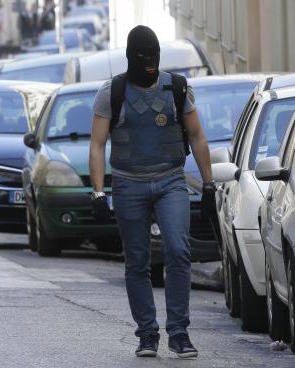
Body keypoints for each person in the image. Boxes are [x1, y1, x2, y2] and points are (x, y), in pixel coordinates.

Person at [88, 25, 214, 359]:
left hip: (171, 180)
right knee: (138, 261)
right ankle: (147, 334)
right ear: (130, 57)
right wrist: (99, 193)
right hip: (129, 184)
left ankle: (179, 332)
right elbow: (98, 145)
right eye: (143, 57)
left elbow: (198, 136)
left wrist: (210, 183)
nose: (150, 63)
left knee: (178, 249)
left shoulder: (176, 88)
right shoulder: (111, 92)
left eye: (154, 56)